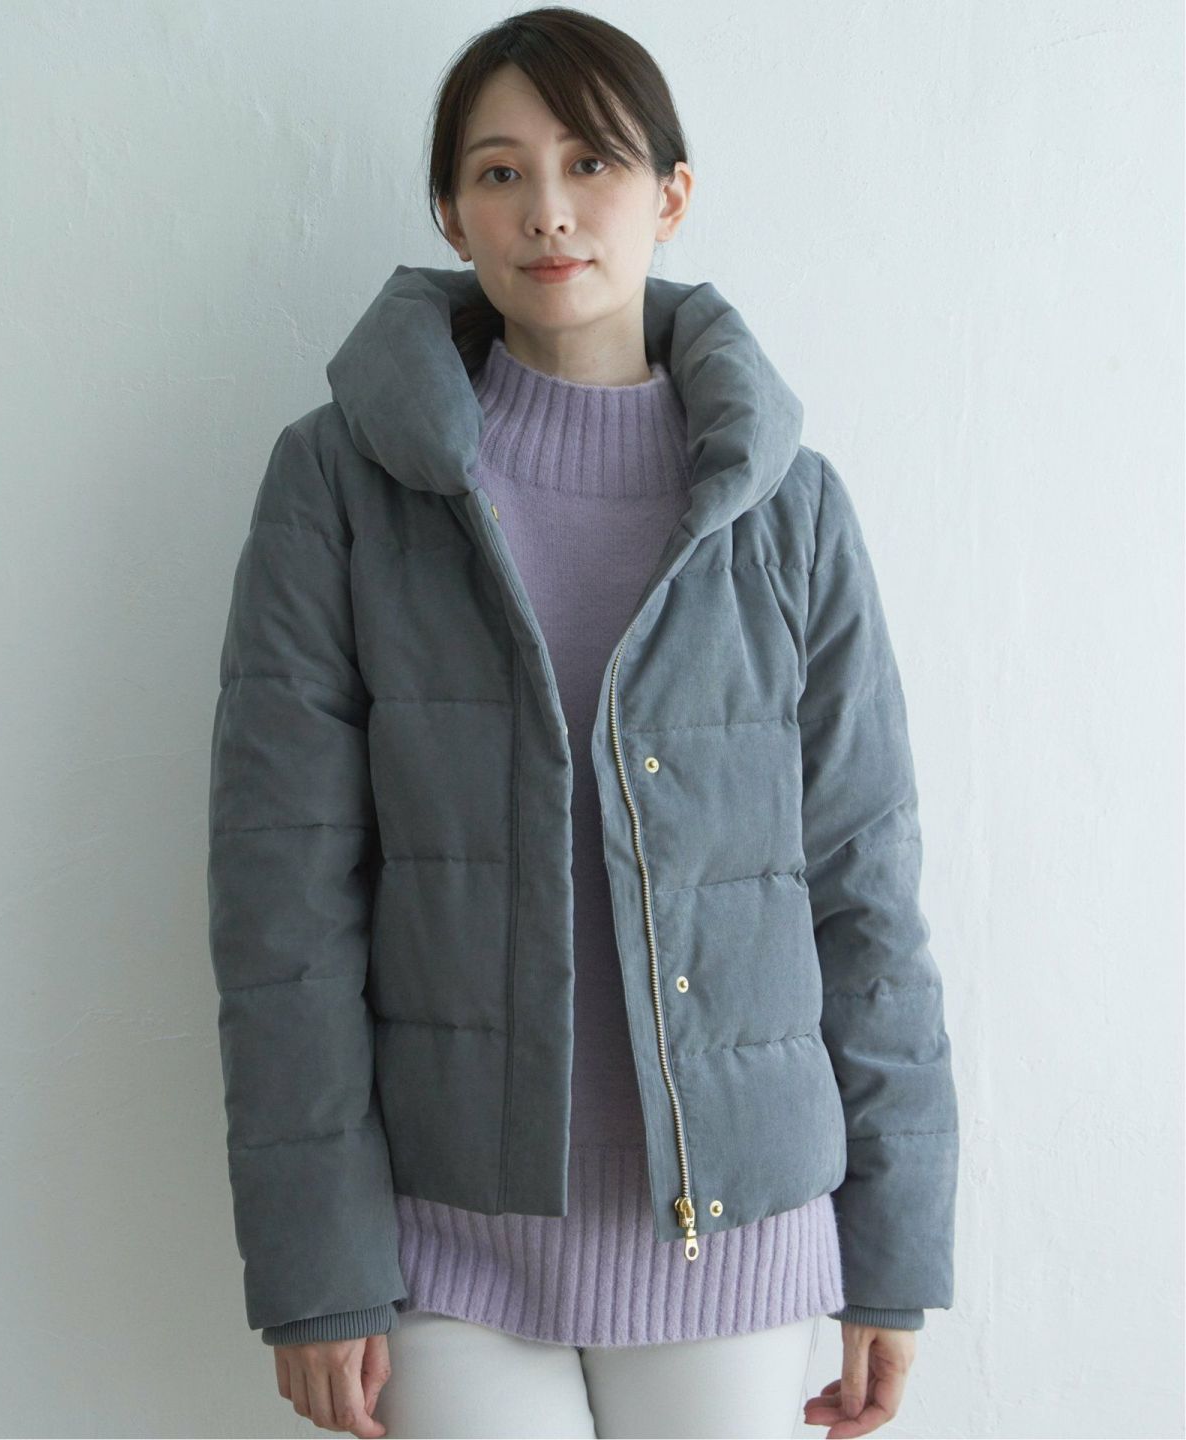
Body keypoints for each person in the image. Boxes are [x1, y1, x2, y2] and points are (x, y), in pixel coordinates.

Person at [206, 8, 959, 1438]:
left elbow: (865, 884)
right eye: (499, 172)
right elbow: (281, 904)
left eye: (592, 161)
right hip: (443, 1235)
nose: (547, 209)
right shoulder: (337, 487)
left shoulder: (788, 508)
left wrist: (897, 1250)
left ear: (670, 194)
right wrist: (313, 1266)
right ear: (451, 212)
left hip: (736, 1230)